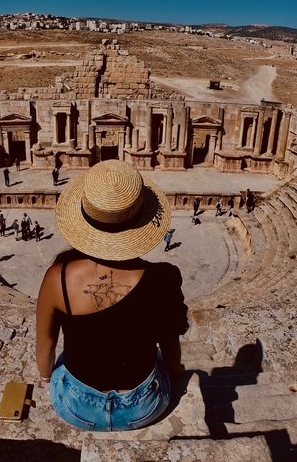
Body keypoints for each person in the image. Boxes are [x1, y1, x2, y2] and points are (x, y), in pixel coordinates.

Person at [36, 160, 188, 432]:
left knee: (62, 358)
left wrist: (46, 378)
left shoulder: (57, 277)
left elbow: (45, 346)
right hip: (144, 408)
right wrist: (176, 377)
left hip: (76, 408)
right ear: (141, 220)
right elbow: (169, 345)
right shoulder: (164, 278)